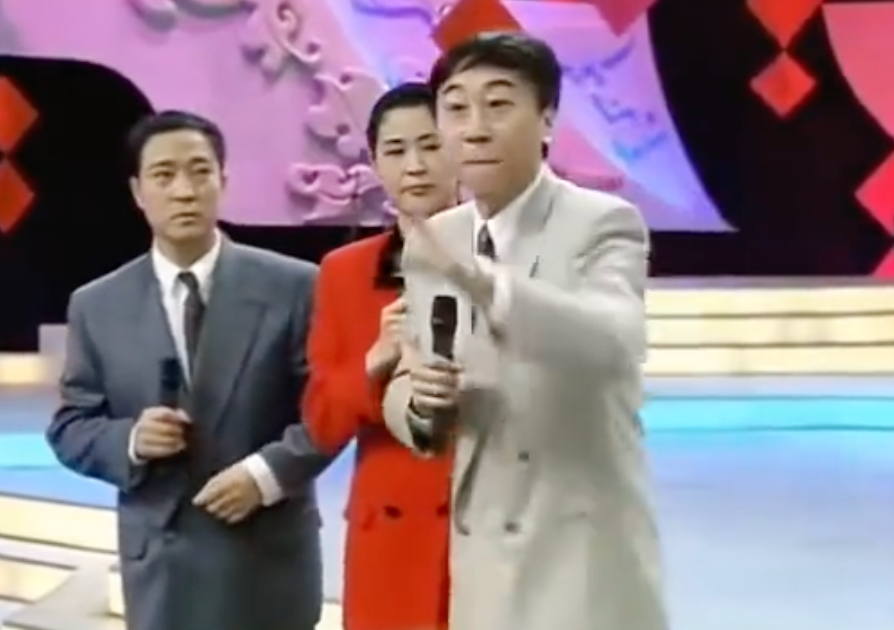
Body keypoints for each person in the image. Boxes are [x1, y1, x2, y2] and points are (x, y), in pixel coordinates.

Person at [381, 33, 669, 630]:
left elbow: (614, 340)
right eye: (455, 108)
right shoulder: (437, 239)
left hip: (581, 559)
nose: (474, 129)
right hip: (481, 558)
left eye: (498, 104)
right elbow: (412, 369)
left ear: (547, 120)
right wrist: (417, 402)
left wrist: (484, 282)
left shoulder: (604, 222)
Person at [46, 110, 328, 630]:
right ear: (138, 192)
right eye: (164, 175)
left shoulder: (295, 286)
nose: (184, 191)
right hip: (162, 570)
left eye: (200, 172)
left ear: (223, 180)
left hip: (267, 561)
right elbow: (70, 427)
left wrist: (266, 475)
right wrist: (132, 440)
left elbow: (326, 411)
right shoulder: (97, 305)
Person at [303, 82, 457, 630]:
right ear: (375, 163)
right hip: (390, 536)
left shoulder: (507, 260)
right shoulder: (344, 272)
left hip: (487, 527)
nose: (415, 165)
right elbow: (321, 421)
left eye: (431, 145)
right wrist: (374, 361)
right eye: (396, 150)